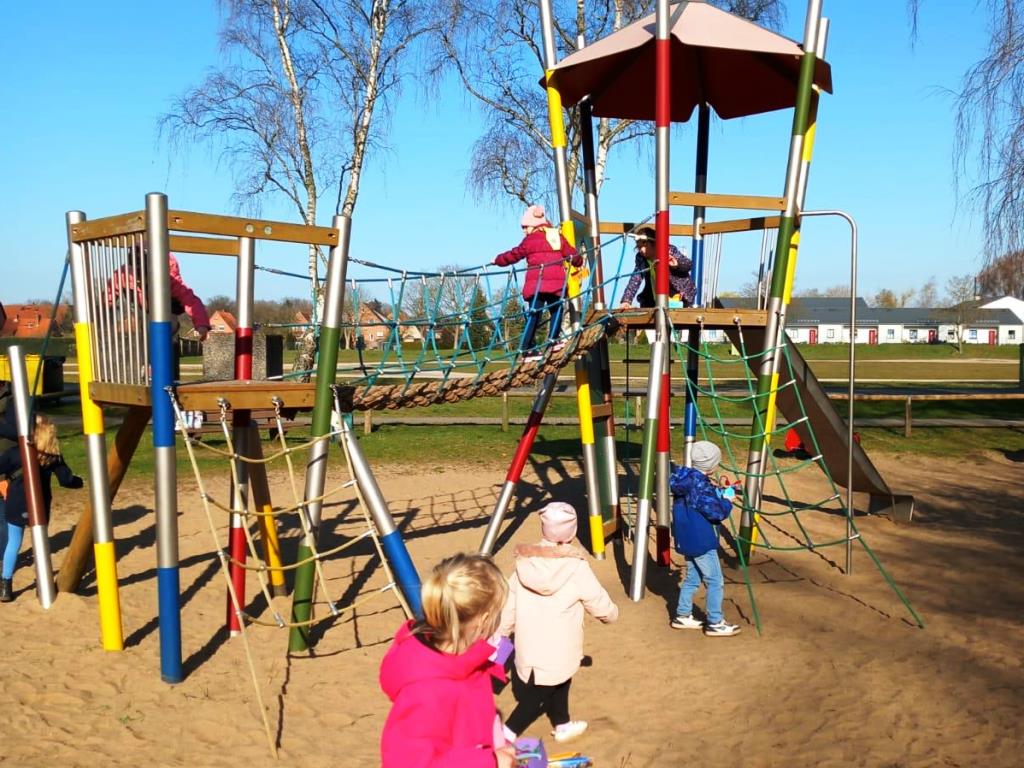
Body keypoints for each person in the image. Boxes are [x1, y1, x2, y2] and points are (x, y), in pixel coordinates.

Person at [379, 552, 517, 768]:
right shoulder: (428, 690)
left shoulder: (468, 663)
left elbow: (468, 725)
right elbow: (410, 763)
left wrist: (499, 744)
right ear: (484, 619)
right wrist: (489, 761)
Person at [498, 502, 619, 744]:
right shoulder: (576, 566)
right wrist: (610, 614)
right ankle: (505, 734)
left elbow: (509, 604)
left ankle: (562, 723)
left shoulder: (525, 562)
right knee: (538, 696)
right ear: (571, 532)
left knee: (562, 678)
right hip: (560, 646)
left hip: (529, 644)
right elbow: (596, 599)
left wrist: (501, 632)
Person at [0, 414, 84, 602]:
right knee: (40, 544)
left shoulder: (16, 453)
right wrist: (78, 482)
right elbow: (66, 480)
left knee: (13, 542)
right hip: (39, 506)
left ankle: (5, 586)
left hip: (16, 504)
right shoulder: (52, 456)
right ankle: (43, 585)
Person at [669, 441, 741, 637]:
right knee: (715, 580)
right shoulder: (700, 486)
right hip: (701, 540)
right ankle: (715, 622)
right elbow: (716, 512)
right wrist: (727, 501)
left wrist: (717, 492)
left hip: (686, 538)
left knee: (693, 578)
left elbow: (698, 502)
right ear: (711, 465)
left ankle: (682, 615)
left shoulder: (685, 478)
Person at [494, 205, 582, 361]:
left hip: (536, 285)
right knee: (557, 310)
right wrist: (578, 261)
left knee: (534, 314)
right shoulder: (557, 236)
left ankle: (527, 348)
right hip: (556, 285)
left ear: (534, 225)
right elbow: (571, 253)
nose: (524, 231)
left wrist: (498, 260)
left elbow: (514, 254)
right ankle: (553, 340)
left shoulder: (529, 240)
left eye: (525, 227)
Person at [107, 247, 212, 341]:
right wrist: (103, 311)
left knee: (166, 326)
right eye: (137, 275)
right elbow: (109, 293)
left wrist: (201, 325)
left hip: (169, 307)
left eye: (144, 275)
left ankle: (169, 346)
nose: (140, 279)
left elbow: (192, 302)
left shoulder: (170, 279)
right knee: (144, 326)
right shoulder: (123, 275)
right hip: (143, 306)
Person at [617, 224, 696, 309]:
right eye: (638, 247)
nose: (641, 250)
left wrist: (677, 264)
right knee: (648, 302)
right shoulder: (641, 258)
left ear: (654, 243)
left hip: (677, 292)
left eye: (644, 246)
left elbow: (688, 264)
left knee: (671, 308)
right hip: (654, 294)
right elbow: (635, 278)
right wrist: (626, 300)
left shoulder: (668, 250)